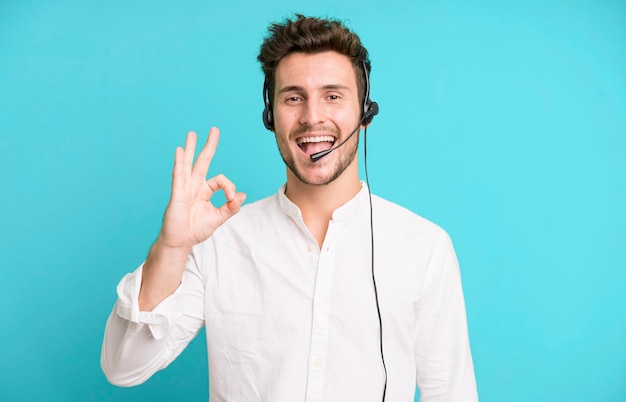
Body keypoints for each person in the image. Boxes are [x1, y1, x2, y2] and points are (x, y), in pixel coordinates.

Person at [101, 14, 478, 402]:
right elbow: (123, 367)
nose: (312, 116)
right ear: (271, 115)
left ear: (364, 113)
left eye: (333, 95)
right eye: (293, 97)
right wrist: (172, 247)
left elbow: (452, 393)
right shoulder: (219, 240)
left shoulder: (423, 247)